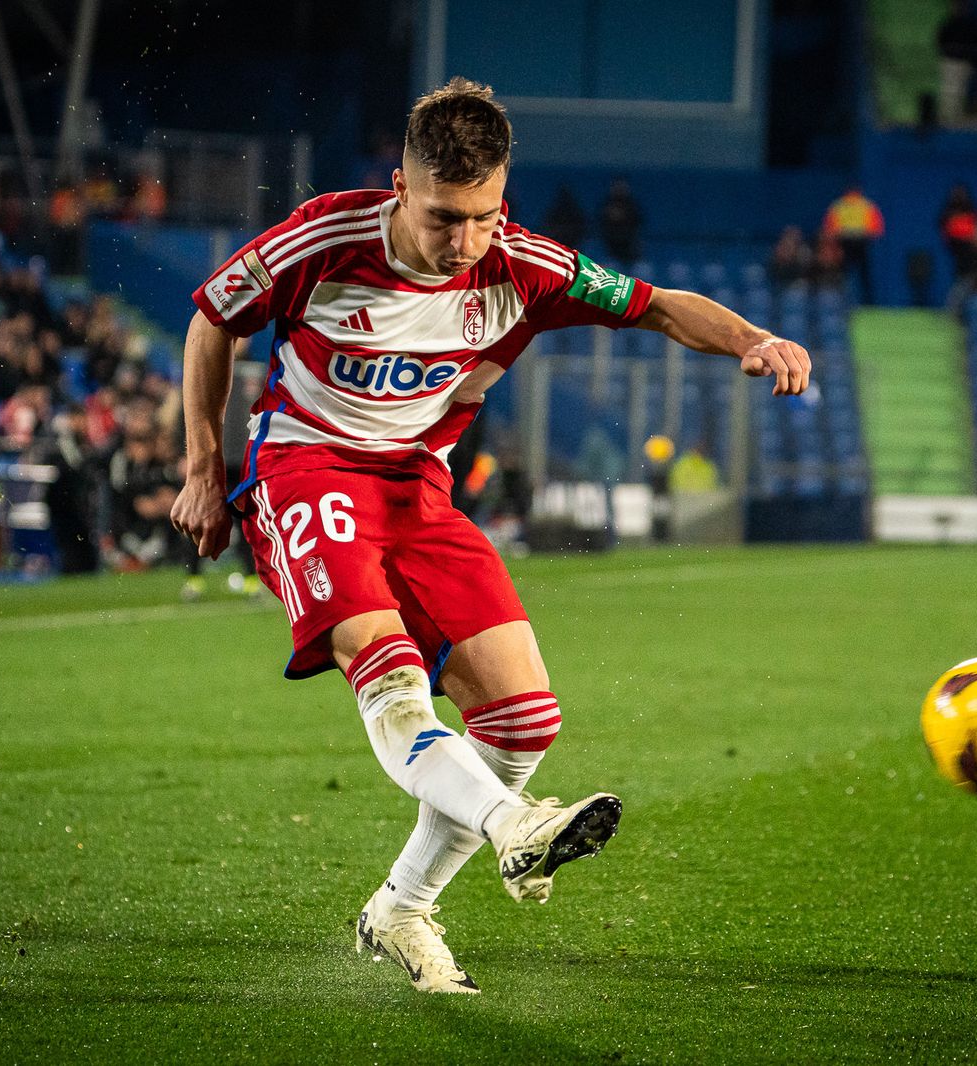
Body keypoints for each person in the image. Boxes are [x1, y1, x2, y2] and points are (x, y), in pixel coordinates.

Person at [168, 78, 810, 996]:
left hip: (419, 491)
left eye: (481, 216)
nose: (462, 241)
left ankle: (399, 909)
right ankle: (514, 829)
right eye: (441, 218)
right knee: (388, 676)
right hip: (306, 469)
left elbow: (659, 303)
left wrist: (754, 336)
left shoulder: (522, 263)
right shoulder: (322, 237)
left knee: (523, 719)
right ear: (399, 184)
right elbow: (210, 320)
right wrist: (200, 467)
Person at [820, 185, 884, 304]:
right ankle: (842, 301)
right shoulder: (864, 205)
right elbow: (829, 228)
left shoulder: (845, 205)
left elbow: (877, 228)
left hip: (860, 242)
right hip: (846, 243)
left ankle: (867, 302)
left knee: (862, 275)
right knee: (845, 274)